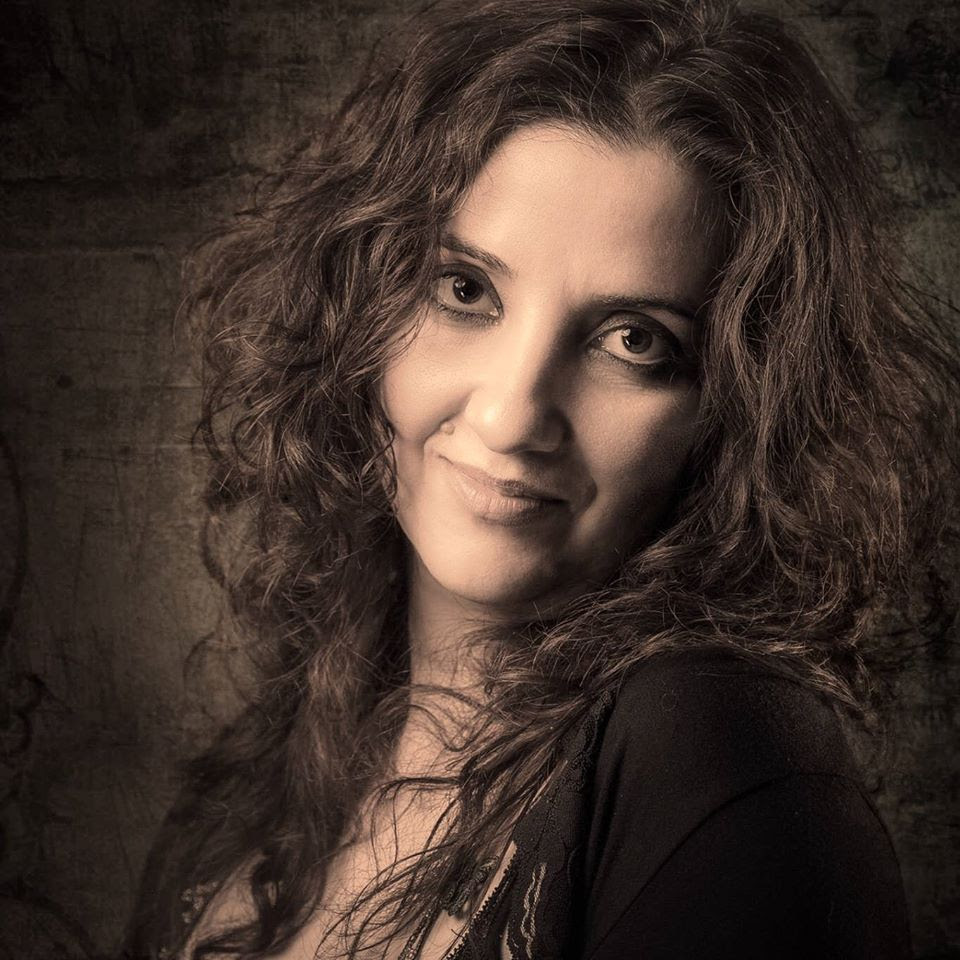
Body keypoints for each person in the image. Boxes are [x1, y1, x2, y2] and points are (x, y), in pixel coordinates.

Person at [125, 0, 959, 957]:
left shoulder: (720, 764)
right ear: (358, 302)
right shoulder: (259, 777)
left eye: (633, 341)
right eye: (465, 291)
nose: (511, 416)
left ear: (739, 410)